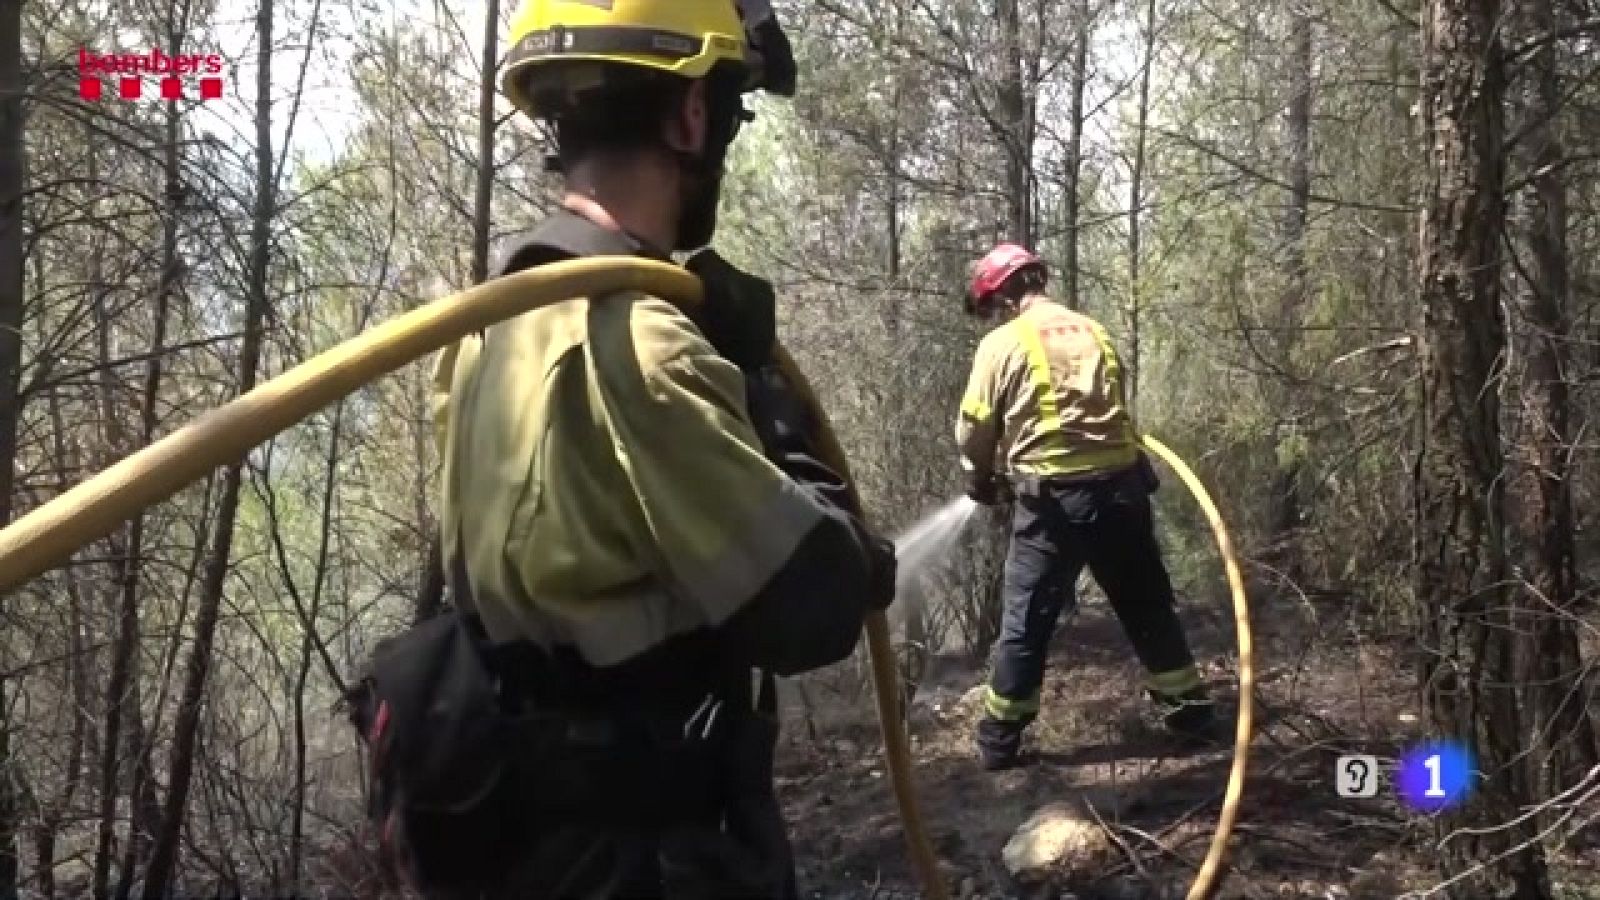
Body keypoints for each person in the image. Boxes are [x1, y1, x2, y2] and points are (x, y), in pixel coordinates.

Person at [418, 0, 897, 895]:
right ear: (690, 116)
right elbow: (812, 609)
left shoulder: (485, 330)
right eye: (730, 115)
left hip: (529, 841)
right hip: (650, 857)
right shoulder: (647, 347)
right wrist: (766, 398)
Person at [955, 242, 1217, 771]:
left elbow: (975, 426)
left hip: (1053, 505)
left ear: (1002, 296)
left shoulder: (1002, 343)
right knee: (1147, 607)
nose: (994, 316)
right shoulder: (1094, 330)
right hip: (1121, 492)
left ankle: (999, 742)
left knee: (1027, 620)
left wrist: (980, 476)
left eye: (991, 306)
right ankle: (1191, 718)